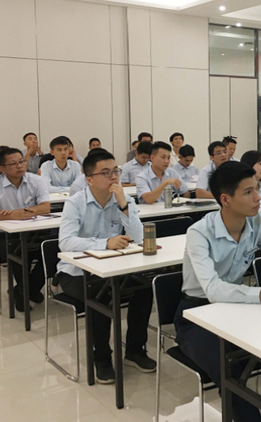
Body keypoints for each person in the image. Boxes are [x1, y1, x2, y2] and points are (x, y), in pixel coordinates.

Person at [175, 161, 261, 422]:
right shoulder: (199, 233)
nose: (258, 197)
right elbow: (213, 290)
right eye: (248, 192)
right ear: (225, 199)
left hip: (238, 309)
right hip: (196, 314)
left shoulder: (258, 222)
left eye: (257, 189)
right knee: (230, 370)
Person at [58, 150, 156, 383]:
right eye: (105, 173)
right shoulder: (75, 203)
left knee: (144, 288)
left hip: (113, 268)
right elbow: (66, 242)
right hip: (75, 272)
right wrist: (105, 243)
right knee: (100, 294)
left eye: (115, 171)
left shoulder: (123, 199)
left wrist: (123, 206)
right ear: (89, 179)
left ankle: (135, 350)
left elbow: (139, 237)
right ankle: (101, 358)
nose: (113, 177)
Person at [0, 148, 52, 311]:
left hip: (35, 232)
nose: (20, 166)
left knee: (52, 248)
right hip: (4, 236)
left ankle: (25, 291)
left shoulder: (36, 180)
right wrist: (14, 215)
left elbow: (45, 207)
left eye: (22, 161)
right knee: (19, 251)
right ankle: (28, 291)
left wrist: (24, 212)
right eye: (13, 163)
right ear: (2, 168)